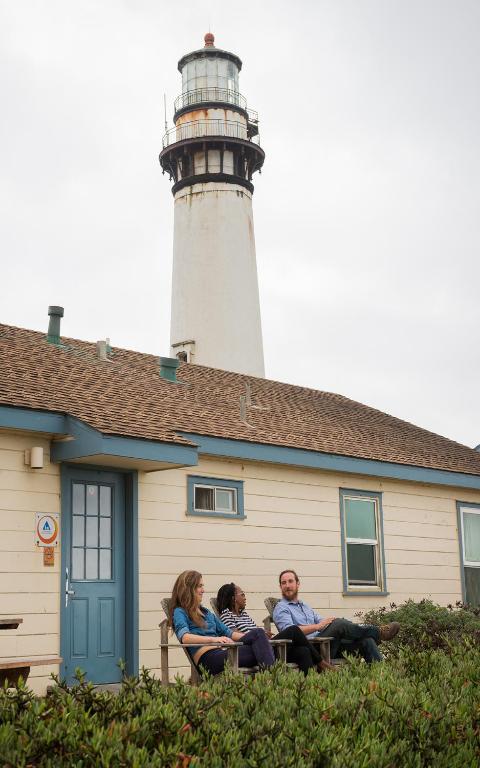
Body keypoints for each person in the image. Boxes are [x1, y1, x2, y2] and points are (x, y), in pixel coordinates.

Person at [273, 570, 400, 663]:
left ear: (297, 584)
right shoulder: (281, 608)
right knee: (339, 624)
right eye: (284, 583)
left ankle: (383, 679)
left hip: (329, 645)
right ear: (280, 587)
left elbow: (322, 621)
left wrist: (333, 622)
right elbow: (289, 632)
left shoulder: (304, 606)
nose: (287, 585)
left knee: (366, 641)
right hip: (312, 649)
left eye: (290, 581)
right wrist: (318, 626)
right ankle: (378, 632)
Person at [168, 570, 275, 676]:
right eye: (200, 586)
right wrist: (214, 639)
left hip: (221, 653)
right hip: (208, 660)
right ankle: (272, 681)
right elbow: (185, 637)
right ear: (189, 589)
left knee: (259, 635)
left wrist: (257, 639)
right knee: (265, 650)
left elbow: (229, 633)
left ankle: (269, 679)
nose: (203, 590)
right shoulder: (180, 611)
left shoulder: (207, 613)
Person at [217, 582, 335, 674]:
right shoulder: (226, 614)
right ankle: (321, 663)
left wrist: (263, 633)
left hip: (267, 646)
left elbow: (253, 631)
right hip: (256, 650)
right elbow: (234, 636)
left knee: (303, 651)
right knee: (293, 630)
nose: (245, 597)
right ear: (233, 598)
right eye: (242, 594)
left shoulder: (244, 615)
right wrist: (257, 634)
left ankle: (309, 688)